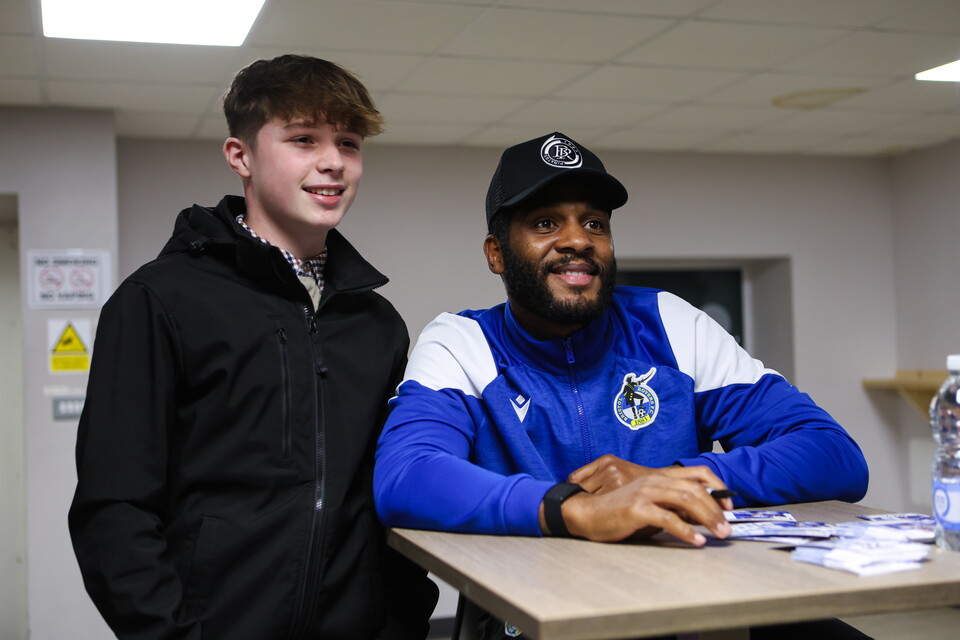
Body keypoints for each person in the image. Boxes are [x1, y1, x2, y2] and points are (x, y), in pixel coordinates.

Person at [374, 132, 870, 637]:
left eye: (595, 223)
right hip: (537, 620)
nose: (578, 240)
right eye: (546, 223)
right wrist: (576, 510)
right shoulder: (463, 343)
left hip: (683, 611)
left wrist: (677, 480)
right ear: (496, 253)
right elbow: (405, 476)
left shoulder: (669, 324)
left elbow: (835, 454)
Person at [69, 55, 437, 640]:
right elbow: (115, 511)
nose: (332, 162)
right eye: (303, 139)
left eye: (348, 142)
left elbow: (385, 499)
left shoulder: (376, 323)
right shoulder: (159, 301)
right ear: (240, 156)